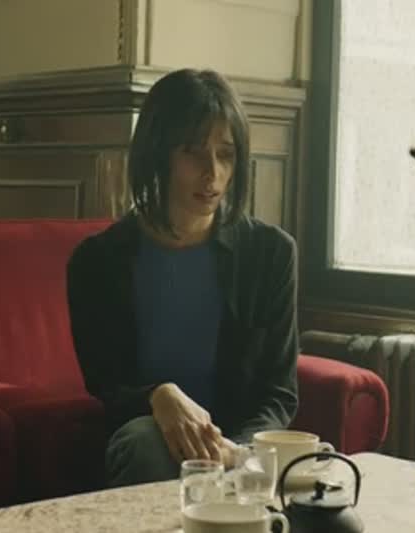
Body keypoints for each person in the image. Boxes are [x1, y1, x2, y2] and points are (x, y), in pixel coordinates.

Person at [66, 68, 299, 488]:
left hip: (237, 447)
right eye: (193, 153)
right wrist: (159, 395)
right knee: (146, 443)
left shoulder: (271, 254)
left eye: (226, 155)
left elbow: (279, 392)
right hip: (145, 437)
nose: (213, 173)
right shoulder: (97, 262)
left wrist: (237, 451)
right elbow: (106, 383)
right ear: (158, 153)